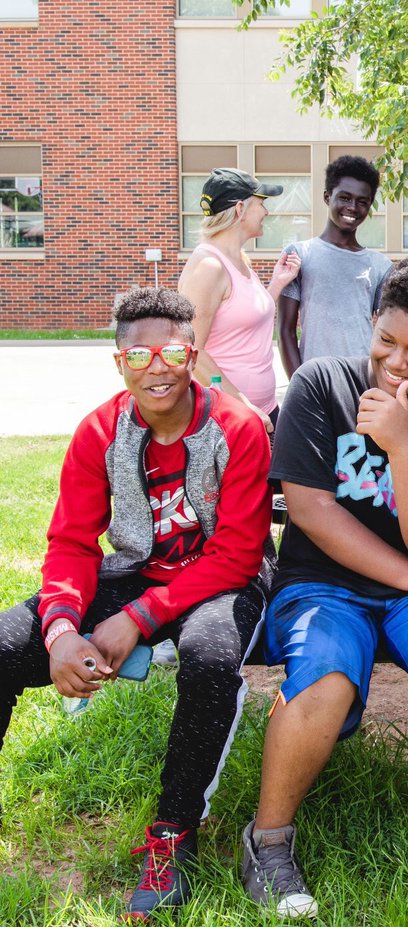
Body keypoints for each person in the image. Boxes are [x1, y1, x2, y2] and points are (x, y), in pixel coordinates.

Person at [239, 255, 408, 922]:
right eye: (386, 340)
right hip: (322, 584)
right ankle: (267, 839)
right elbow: (311, 511)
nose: (396, 362)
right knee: (328, 668)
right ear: (372, 323)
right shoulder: (319, 385)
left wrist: (401, 444)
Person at [0, 288, 273, 920]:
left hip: (224, 579)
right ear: (119, 361)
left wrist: (137, 618)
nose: (158, 368)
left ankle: (174, 836)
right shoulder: (101, 431)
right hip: (137, 570)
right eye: (140, 355)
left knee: (210, 656)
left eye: (172, 353)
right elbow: (72, 543)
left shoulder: (236, 427)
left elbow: (236, 554)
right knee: (6, 641)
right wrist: (61, 630)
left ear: (193, 356)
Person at [178, 167, 301, 433]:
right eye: (261, 203)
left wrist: (277, 284)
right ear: (240, 209)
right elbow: (191, 351)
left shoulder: (239, 259)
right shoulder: (209, 267)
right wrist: (242, 405)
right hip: (228, 418)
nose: (266, 212)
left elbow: (244, 321)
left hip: (263, 410)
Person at [277, 155, 395, 378]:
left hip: (362, 380)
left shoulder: (380, 266)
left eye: (362, 201)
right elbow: (285, 332)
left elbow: (390, 334)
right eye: (344, 198)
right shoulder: (299, 255)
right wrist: (300, 385)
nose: (352, 207)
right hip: (315, 379)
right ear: (327, 197)